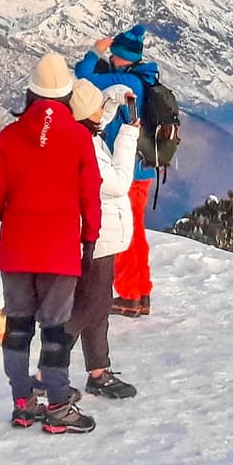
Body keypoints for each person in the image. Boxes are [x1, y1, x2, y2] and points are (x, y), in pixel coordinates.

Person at [0, 53, 102, 435]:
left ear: (31, 93)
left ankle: (22, 402)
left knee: (17, 327)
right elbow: (90, 194)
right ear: (66, 97)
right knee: (54, 329)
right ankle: (59, 404)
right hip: (60, 250)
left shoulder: (11, 136)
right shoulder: (79, 137)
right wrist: (90, 238)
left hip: (16, 249)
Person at [73, 25, 161, 317]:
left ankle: (129, 296)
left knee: (124, 230)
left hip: (129, 168)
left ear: (122, 57)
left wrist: (95, 50)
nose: (110, 57)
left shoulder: (127, 82)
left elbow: (84, 77)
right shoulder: (143, 79)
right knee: (135, 230)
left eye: (114, 54)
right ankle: (141, 291)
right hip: (142, 169)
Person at [65, 80, 141, 399]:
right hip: (96, 235)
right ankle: (48, 367)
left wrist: (116, 95)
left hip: (94, 234)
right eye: (98, 106)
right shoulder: (86, 148)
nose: (102, 111)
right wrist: (129, 134)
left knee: (96, 305)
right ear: (86, 114)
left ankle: (99, 370)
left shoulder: (82, 133)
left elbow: (98, 114)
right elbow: (119, 183)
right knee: (89, 305)